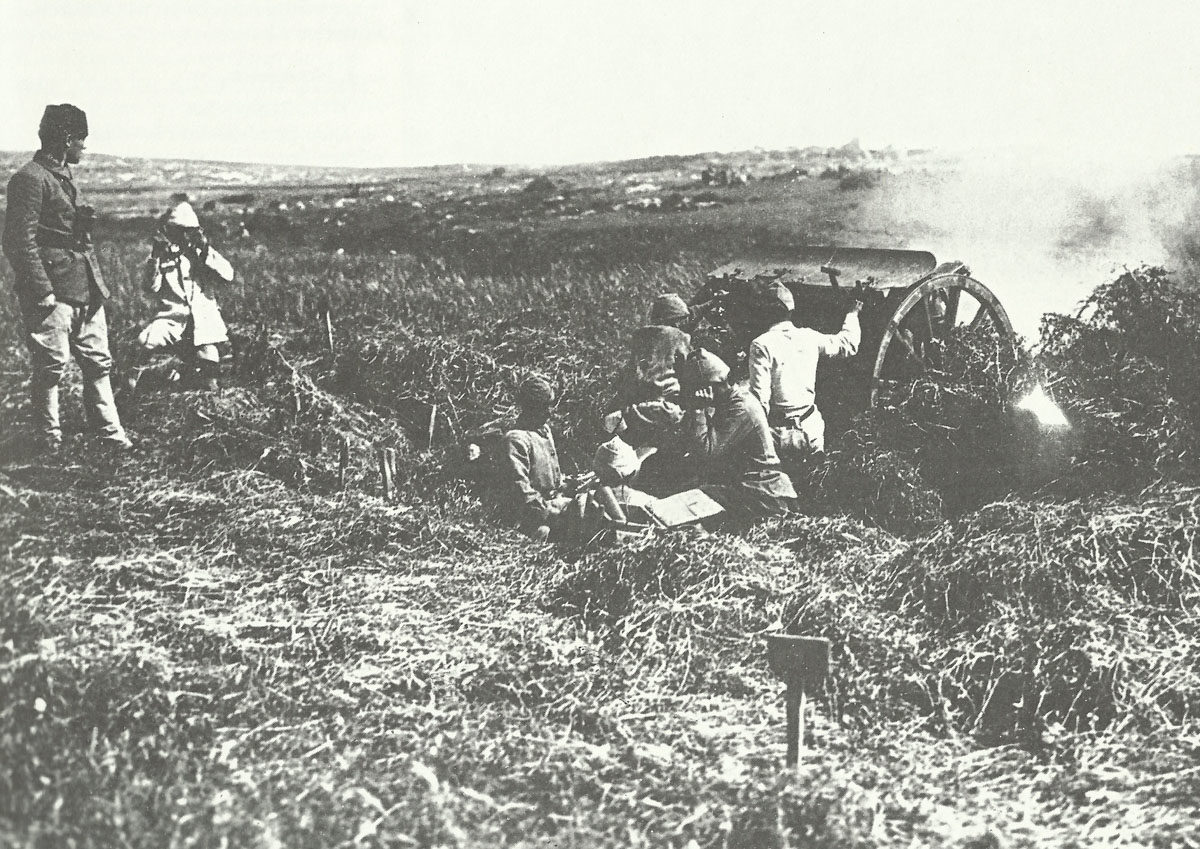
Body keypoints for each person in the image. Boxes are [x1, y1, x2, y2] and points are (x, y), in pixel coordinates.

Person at [2, 104, 131, 451]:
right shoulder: (30, 178)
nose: (85, 147)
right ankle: (49, 442)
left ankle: (111, 436)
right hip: (53, 290)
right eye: (81, 139)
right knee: (51, 366)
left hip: (83, 286)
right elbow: (18, 240)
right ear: (66, 139)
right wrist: (42, 290)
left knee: (98, 362)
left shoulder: (61, 176)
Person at [125, 199, 236, 395]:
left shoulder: (203, 254)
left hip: (203, 320)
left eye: (189, 231)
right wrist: (156, 259)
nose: (184, 236)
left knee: (209, 365)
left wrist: (206, 251)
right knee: (143, 344)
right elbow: (150, 288)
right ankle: (129, 393)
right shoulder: (162, 257)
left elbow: (228, 275)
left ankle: (205, 389)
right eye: (179, 231)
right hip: (172, 319)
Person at [747, 281, 861, 459]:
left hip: (777, 433)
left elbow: (759, 400)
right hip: (810, 428)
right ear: (791, 311)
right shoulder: (809, 337)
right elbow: (847, 344)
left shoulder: (761, 345)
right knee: (814, 481)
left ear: (764, 313)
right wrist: (852, 313)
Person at [679, 348, 796, 518]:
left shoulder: (740, 407)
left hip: (763, 495)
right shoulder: (732, 400)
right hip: (752, 488)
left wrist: (698, 409)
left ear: (709, 388)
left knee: (692, 500)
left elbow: (708, 453)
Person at [499, 375, 571, 540]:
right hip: (531, 515)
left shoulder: (544, 431)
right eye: (544, 407)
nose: (550, 412)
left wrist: (568, 484)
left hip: (553, 502)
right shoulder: (516, 439)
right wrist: (551, 512)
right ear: (530, 408)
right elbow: (521, 491)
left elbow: (552, 478)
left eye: (550, 406)